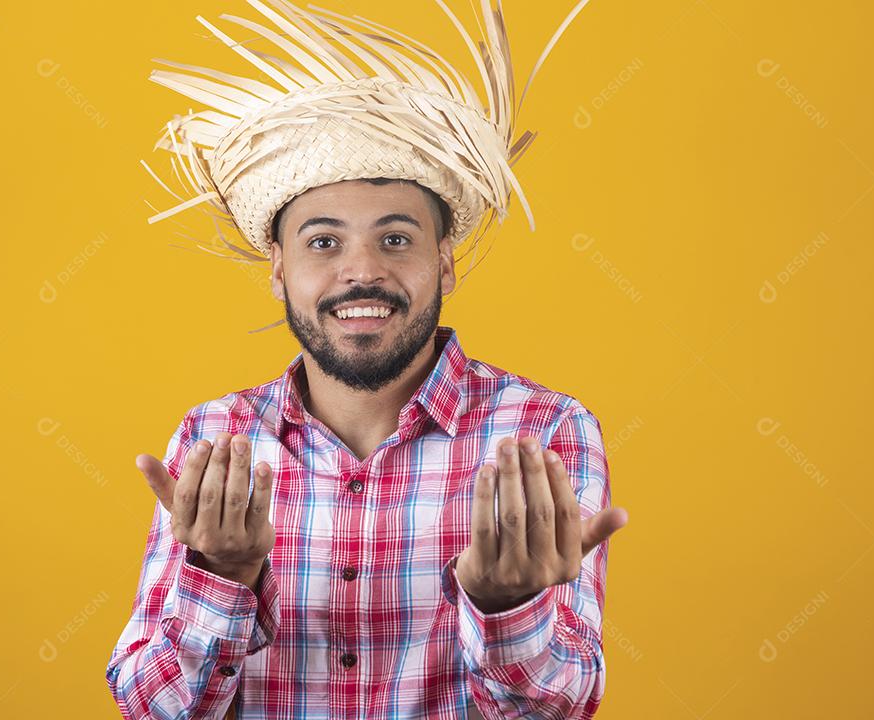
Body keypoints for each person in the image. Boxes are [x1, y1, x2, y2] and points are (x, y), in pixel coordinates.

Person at [106, 1, 627, 717]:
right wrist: (222, 576)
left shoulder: (546, 433)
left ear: (444, 262)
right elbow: (153, 707)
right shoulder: (213, 439)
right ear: (279, 269)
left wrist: (507, 611)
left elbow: (560, 709)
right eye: (323, 242)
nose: (362, 272)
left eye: (396, 240)